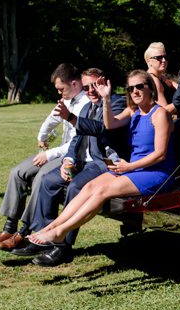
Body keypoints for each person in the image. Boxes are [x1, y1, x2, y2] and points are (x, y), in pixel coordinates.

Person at [25, 70, 176, 265]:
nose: (135, 91)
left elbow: (160, 154)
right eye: (131, 88)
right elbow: (109, 124)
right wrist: (105, 98)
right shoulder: (134, 112)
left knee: (102, 191)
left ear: (150, 89)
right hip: (134, 169)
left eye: (140, 86)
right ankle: (50, 228)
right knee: (89, 187)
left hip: (155, 172)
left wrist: (129, 166)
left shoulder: (160, 114)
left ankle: (60, 232)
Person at [10, 68, 128, 261]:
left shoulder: (116, 103)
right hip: (82, 161)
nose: (90, 91)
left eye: (94, 86)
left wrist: (71, 118)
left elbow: (103, 128)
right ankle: (41, 237)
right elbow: (76, 139)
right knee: (48, 181)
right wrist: (69, 160)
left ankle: (63, 246)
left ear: (104, 83)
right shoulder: (85, 107)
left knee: (75, 186)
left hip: (103, 163)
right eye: (87, 87)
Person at [0, 63, 89, 251]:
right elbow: (53, 118)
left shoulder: (86, 104)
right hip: (58, 152)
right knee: (18, 172)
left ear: (74, 83)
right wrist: (42, 136)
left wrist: (49, 154)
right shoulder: (67, 99)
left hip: (72, 156)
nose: (59, 93)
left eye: (61, 89)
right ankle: (9, 227)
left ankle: (24, 232)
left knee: (41, 177)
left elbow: (76, 143)